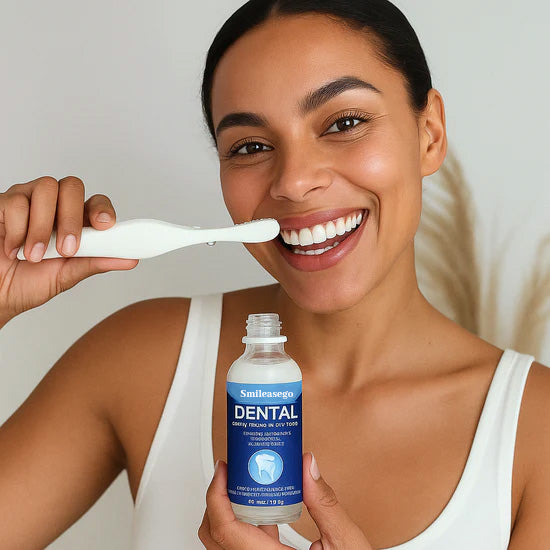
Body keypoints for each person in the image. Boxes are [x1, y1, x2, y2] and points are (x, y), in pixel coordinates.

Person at [1, 1, 549, 549]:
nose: (294, 181)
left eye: (344, 123)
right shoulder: (141, 360)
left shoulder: (537, 432)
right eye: (251, 147)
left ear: (429, 133)